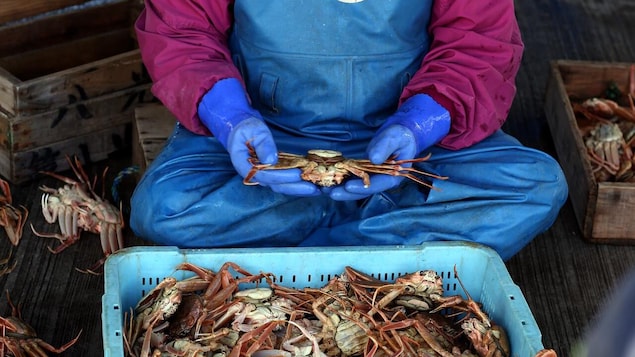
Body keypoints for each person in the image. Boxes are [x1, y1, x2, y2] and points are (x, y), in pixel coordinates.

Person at [130, 0, 568, 261]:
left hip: (401, 146)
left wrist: (418, 125)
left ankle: (304, 236)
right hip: (268, 138)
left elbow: (479, 45)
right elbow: (182, 29)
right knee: (161, 208)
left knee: (535, 187)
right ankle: (382, 234)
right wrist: (230, 119)